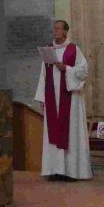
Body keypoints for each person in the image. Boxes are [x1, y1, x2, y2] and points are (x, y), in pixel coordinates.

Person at [33, 19, 91, 181]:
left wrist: (67, 69)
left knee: (70, 133)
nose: (55, 31)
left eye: (58, 29)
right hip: (53, 101)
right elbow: (43, 75)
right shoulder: (48, 51)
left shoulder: (74, 50)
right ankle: (55, 170)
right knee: (53, 133)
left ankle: (72, 171)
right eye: (54, 28)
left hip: (69, 99)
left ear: (66, 32)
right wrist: (42, 97)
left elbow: (84, 70)